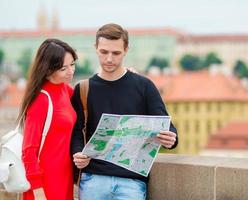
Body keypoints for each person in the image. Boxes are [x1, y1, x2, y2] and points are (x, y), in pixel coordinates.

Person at [71, 23, 178, 200]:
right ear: (95, 48)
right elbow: (76, 132)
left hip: (131, 182)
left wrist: (171, 138)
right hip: (93, 180)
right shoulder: (83, 89)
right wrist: (77, 153)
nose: (109, 59)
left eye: (116, 53)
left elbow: (167, 126)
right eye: (104, 52)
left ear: (126, 50)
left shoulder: (144, 86)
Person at [18, 38, 78, 200]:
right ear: (48, 69)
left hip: (64, 177)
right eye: (63, 68)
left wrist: (126, 74)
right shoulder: (41, 101)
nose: (70, 71)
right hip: (44, 185)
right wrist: (38, 192)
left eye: (72, 64)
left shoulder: (67, 90)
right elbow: (28, 150)